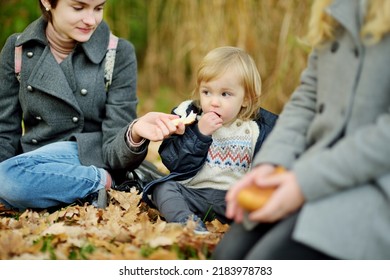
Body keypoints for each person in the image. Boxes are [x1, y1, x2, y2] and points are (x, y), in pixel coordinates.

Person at [213, 0, 390, 259]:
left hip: (376, 184)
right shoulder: (334, 9)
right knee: (228, 255)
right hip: (312, 170)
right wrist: (270, 164)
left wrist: (304, 182)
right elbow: (307, 99)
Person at [0, 0, 183, 211]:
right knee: (6, 177)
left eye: (98, 8)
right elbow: (5, 130)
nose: (90, 20)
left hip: (90, 154)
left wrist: (134, 133)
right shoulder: (17, 51)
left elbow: (115, 141)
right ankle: (78, 188)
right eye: (78, 8)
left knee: (5, 179)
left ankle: (101, 180)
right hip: (35, 159)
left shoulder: (118, 52)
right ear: (47, 2)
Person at [142, 46, 278, 234]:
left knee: (268, 204)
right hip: (195, 193)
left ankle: (248, 233)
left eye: (225, 94)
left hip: (235, 200)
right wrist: (199, 134)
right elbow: (174, 161)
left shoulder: (257, 129)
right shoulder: (189, 118)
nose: (214, 102)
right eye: (207, 92)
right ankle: (189, 224)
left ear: (246, 99)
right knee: (163, 187)